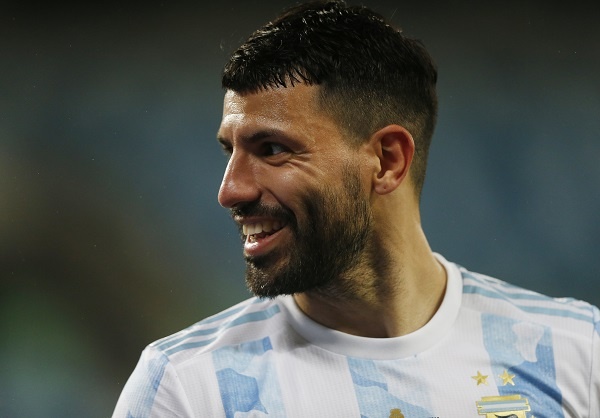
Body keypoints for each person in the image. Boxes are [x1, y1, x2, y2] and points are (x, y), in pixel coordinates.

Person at [112, 1, 599, 416]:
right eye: (230, 150)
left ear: (387, 161)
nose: (231, 190)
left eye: (272, 150)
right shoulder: (187, 388)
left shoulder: (576, 352)